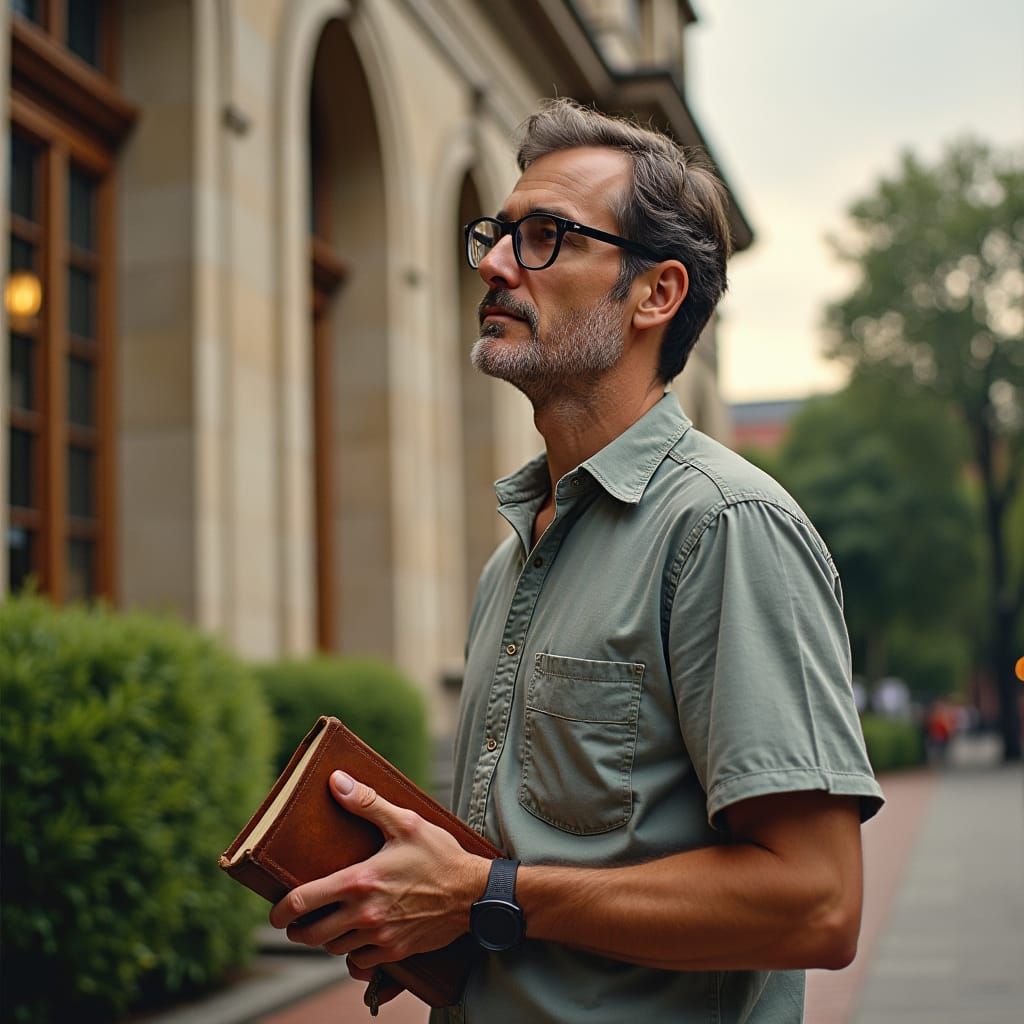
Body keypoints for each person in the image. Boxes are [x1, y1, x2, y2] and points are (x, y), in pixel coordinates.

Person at [270, 99, 884, 1023]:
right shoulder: (514, 553)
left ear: (655, 294)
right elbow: (518, 872)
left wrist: (487, 896)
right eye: (498, 233)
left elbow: (817, 903)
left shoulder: (725, 527)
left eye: (546, 236)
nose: (492, 263)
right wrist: (432, 922)